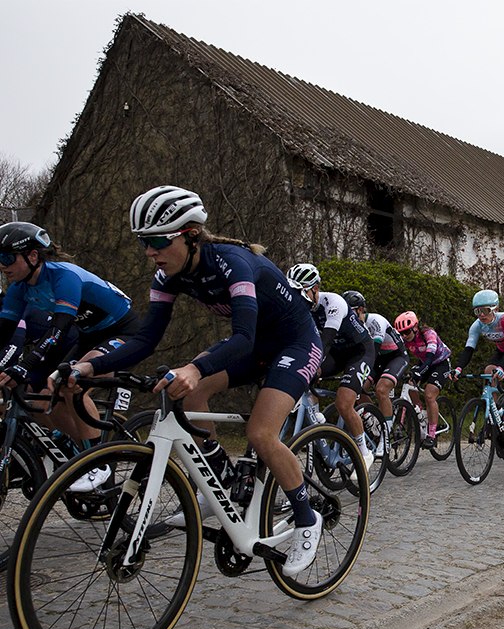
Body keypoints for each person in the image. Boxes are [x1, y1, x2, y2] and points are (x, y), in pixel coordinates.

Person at [65, 186, 324, 576]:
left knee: (260, 433)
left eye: (156, 241)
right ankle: (218, 479)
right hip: (253, 345)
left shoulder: (234, 264)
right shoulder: (168, 275)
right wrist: (88, 368)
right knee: (190, 392)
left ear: (189, 234)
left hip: (294, 342)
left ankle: (307, 519)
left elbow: (243, 338)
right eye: (143, 243)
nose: (149, 252)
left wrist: (196, 368)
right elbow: (145, 340)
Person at [0, 221, 141, 491]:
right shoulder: (19, 289)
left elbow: (59, 328)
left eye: (7, 257)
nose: (2, 265)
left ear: (32, 256)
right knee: (34, 394)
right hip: (90, 335)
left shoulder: (63, 276)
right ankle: (74, 446)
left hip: (126, 332)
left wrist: (24, 363)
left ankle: (98, 462)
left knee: (72, 383)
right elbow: (3, 332)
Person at [286, 265, 376, 470]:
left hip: (359, 351)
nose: (297, 297)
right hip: (337, 352)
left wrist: (312, 366)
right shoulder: (302, 308)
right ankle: (316, 418)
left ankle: (364, 452)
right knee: (300, 374)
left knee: (344, 403)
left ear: (315, 288)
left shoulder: (333, 302)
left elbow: (324, 342)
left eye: (302, 292)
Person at [450, 290, 504, 456]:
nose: (481, 315)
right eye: (477, 311)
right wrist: (458, 369)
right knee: (488, 372)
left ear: (495, 309)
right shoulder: (477, 325)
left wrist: (502, 368)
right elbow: (469, 349)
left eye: (485, 310)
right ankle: (495, 413)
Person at [342, 290, 410, 457]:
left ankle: (384, 438)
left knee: (381, 390)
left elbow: (373, 350)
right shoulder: (349, 327)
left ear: (360, 310)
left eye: (351, 312)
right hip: (375, 360)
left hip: (396, 357)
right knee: (357, 388)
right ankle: (372, 420)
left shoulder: (376, 321)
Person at [394, 311, 451, 450]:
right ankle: (420, 413)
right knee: (410, 384)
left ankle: (431, 435)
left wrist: (420, 372)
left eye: (407, 332)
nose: (404, 336)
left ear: (415, 327)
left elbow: (430, 357)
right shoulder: (405, 340)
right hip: (424, 362)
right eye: (401, 333)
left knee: (429, 394)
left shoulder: (428, 334)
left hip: (440, 363)